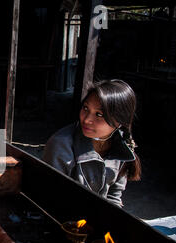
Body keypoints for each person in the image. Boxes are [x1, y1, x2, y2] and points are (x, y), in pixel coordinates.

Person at [42, 79, 141, 207]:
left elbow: (114, 196)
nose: (87, 119)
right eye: (85, 108)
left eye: (99, 114)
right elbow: (52, 198)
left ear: (119, 121)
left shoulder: (121, 148)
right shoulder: (61, 144)